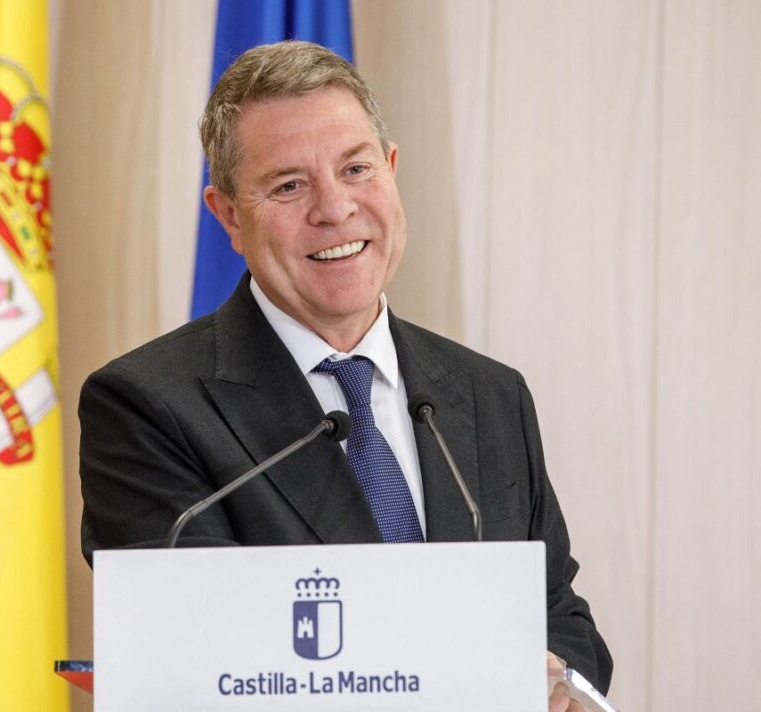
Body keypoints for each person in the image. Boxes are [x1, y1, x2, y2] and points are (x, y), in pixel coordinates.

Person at [78, 40, 612, 709]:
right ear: (228, 216)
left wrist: (560, 679)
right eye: (289, 185)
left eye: (356, 169)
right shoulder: (146, 405)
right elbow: (194, 664)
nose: (334, 209)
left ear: (391, 170)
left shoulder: (490, 394)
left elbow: (559, 613)